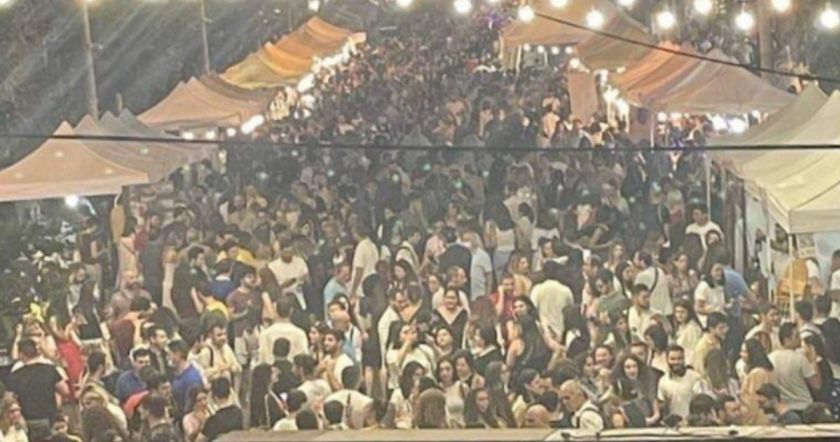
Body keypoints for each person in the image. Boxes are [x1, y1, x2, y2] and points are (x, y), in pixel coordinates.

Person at [7, 337, 69, 438]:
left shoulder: (16, 375)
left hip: (27, 420)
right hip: (49, 418)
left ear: (21, 354)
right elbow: (65, 391)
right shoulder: (49, 369)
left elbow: (10, 399)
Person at [768, 322, 821, 412]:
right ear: (786, 340)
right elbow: (816, 385)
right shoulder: (800, 359)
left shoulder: (770, 358)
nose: (800, 339)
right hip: (803, 406)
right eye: (796, 336)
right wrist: (814, 361)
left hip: (782, 408)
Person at [530, 260, 574, 339]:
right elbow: (571, 310)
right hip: (562, 331)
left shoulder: (537, 289)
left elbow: (532, 308)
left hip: (544, 331)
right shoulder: (566, 290)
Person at [259, 297, 309, 365]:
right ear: (291, 311)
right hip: (294, 370)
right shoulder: (300, 333)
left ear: (275, 311)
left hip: (270, 370)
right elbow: (304, 356)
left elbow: (262, 357)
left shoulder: (265, 334)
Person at [657, 345, 702, 420]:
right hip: (673, 423)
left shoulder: (695, 377)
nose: (676, 362)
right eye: (673, 359)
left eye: (679, 358)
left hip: (692, 422)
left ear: (684, 359)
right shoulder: (663, 381)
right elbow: (662, 404)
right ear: (667, 360)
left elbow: (701, 402)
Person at [268, 239, 310, 310]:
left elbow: (306, 276)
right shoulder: (272, 266)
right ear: (281, 252)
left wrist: (302, 280)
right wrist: (287, 283)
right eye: (286, 252)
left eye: (291, 252)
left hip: (300, 291)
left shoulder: (300, 261)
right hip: (283, 294)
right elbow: (273, 287)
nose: (289, 254)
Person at [740, 338, 774, 425]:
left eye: (744, 352)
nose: (741, 354)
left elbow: (754, 400)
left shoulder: (757, 373)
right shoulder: (763, 371)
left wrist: (749, 421)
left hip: (757, 418)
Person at [168, 339, 205, 413]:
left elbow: (190, 408)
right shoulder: (175, 373)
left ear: (178, 354)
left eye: (170, 354)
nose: (168, 358)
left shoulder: (192, 379)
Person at [634, 251, 672, 316]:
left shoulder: (642, 276)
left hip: (653, 311)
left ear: (642, 261)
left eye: (636, 259)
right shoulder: (660, 271)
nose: (634, 261)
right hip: (666, 309)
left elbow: (637, 293)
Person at [692, 312, 729, 378]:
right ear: (711, 329)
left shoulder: (721, 341)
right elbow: (700, 370)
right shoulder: (702, 346)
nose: (725, 330)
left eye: (726, 327)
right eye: (721, 328)